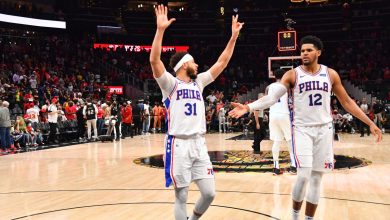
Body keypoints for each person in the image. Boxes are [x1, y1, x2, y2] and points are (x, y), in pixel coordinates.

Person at [229, 35, 382, 220]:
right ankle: (294, 216)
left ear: (318, 52)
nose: (304, 53)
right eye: (302, 51)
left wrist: (370, 123)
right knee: (303, 176)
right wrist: (248, 107)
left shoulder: (330, 74)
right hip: (301, 130)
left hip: (324, 130)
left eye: (309, 50)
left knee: (317, 178)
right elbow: (271, 97)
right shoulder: (292, 74)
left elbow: (347, 101)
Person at [150, 4, 243, 220]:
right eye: (193, 62)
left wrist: (233, 37)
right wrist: (160, 30)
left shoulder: (199, 82)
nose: (197, 64)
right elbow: (155, 61)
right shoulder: (170, 84)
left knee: (209, 193)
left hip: (199, 143)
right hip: (179, 144)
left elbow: (222, 62)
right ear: (184, 66)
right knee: (181, 196)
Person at [265, 69, 296, 175]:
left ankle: (276, 168)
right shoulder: (287, 86)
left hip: (273, 114)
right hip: (284, 114)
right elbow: (292, 100)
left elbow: (266, 101)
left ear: (273, 76)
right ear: (284, 76)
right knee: (289, 140)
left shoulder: (268, 87)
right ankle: (294, 166)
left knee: (276, 141)